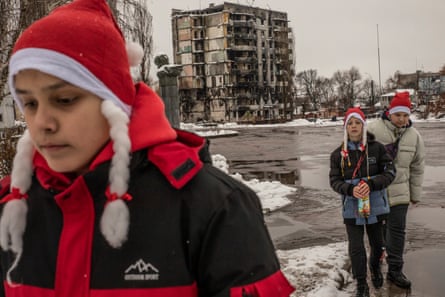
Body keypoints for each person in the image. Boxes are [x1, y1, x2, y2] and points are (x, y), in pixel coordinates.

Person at [0, 0, 295, 296]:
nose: (42, 123)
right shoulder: (12, 209)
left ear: (115, 101)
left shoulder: (213, 206)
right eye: (29, 103)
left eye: (64, 100)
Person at [329, 107, 396, 297]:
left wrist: (372, 184)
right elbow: (334, 181)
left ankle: (374, 267)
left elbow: (390, 172)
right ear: (345, 128)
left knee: (377, 244)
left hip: (375, 205)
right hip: (352, 207)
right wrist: (351, 189)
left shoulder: (377, 148)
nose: (354, 126)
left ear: (363, 126)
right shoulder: (337, 155)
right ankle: (361, 284)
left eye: (357, 122)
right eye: (350, 123)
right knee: (356, 247)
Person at [367, 91, 425, 289]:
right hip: (377, 191)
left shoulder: (414, 136)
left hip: (400, 192)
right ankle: (375, 262)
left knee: (397, 231)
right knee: (378, 232)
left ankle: (395, 271)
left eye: (405, 115)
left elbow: (417, 167)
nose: (401, 119)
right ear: (389, 112)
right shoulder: (373, 128)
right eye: (398, 114)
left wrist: (415, 195)